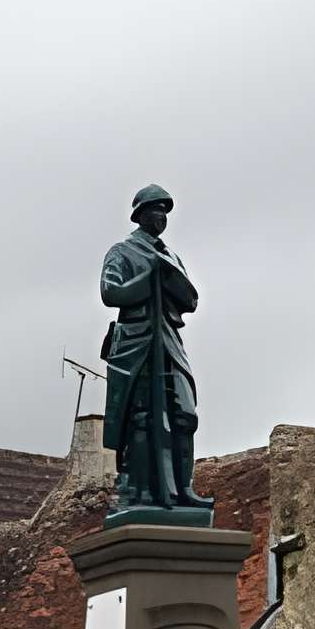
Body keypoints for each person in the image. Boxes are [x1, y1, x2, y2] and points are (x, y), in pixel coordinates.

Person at [99, 184, 212, 515]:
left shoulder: (171, 256)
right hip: (137, 341)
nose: (160, 217)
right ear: (139, 215)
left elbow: (190, 300)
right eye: (154, 210)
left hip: (168, 339)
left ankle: (183, 489)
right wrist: (149, 277)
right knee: (144, 418)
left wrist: (168, 278)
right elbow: (111, 293)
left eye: (164, 212)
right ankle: (141, 492)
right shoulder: (123, 252)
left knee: (183, 413)